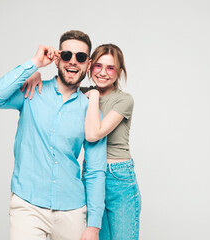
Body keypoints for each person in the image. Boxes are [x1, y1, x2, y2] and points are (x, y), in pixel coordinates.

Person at [0, 30, 107, 240]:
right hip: (27, 205)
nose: (73, 62)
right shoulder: (32, 91)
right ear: (58, 58)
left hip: (72, 209)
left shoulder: (91, 110)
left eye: (80, 57)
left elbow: (96, 170)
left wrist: (94, 224)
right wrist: (34, 64)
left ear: (88, 63)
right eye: (67, 55)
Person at [24, 43, 141, 239]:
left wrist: (94, 95)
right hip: (92, 177)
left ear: (119, 72)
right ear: (90, 66)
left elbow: (94, 134)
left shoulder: (123, 100)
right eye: (98, 66)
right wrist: (35, 74)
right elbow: (59, 81)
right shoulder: (81, 92)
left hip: (119, 178)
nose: (103, 72)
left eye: (110, 68)